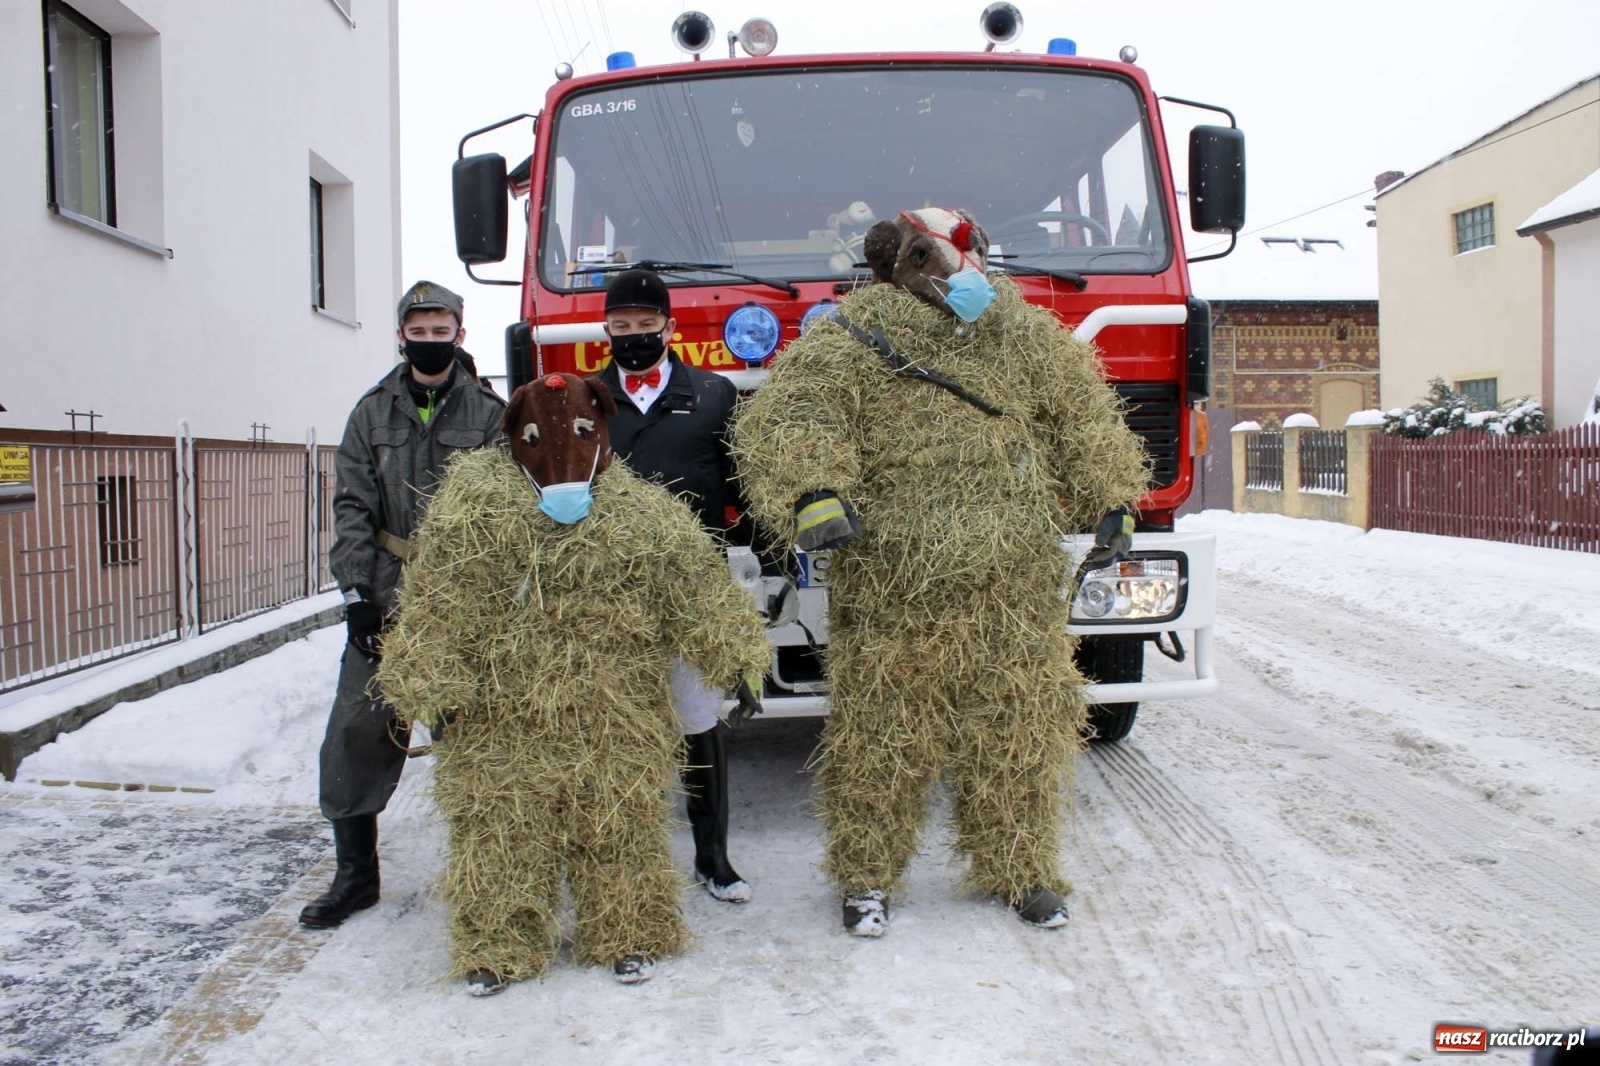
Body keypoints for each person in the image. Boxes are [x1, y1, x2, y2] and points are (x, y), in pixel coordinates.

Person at [731, 208, 1149, 937]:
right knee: (884, 735)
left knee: (1015, 729)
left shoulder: (1023, 334)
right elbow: (800, 415)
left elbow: (1082, 415)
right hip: (896, 581)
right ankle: (867, 876)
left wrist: (1112, 496)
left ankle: (1020, 868)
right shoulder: (852, 336)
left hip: (1012, 580)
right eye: (936, 258)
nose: (964, 272)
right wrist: (816, 488)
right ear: (896, 267)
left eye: (972, 252)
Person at [374, 372, 768, 992]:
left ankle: (626, 931)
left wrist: (735, 657)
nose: (563, 453)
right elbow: (439, 606)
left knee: (617, 822)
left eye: (584, 432)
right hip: (503, 718)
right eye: (536, 438)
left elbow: (694, 590)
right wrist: (429, 684)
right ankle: (500, 943)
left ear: (602, 430)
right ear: (514, 437)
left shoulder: (642, 513)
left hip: (614, 711)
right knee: (502, 831)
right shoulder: (475, 513)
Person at [299, 280, 506, 930]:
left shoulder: (489, 415)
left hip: (461, 599)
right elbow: (352, 506)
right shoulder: (371, 413)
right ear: (401, 337)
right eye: (418, 332)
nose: (429, 341)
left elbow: (505, 508)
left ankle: (486, 872)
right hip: (388, 596)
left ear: (459, 335)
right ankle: (356, 877)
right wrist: (357, 593)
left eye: (440, 331)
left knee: (474, 738)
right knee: (356, 731)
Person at [597, 268, 761, 904]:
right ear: (607, 329)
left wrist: (767, 558)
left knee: (699, 719)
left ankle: (713, 858)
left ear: (670, 327)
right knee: (618, 725)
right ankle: (624, 864)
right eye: (622, 326)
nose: (634, 336)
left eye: (646, 325)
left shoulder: (715, 393)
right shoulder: (584, 398)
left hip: (693, 587)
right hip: (609, 590)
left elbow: (743, 487)